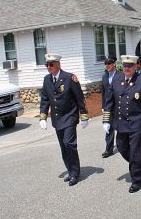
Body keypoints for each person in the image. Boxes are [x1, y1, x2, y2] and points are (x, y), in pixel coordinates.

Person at [103, 55, 141, 193]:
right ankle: (137, 160)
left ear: (135, 66)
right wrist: (106, 120)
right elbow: (109, 101)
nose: (127, 68)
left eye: (130, 66)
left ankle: (136, 180)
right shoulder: (116, 79)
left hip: (137, 123)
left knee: (135, 152)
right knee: (121, 147)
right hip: (121, 123)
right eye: (124, 66)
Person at [39, 53, 89, 186]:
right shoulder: (46, 79)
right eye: (46, 65)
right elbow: (45, 99)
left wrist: (83, 115)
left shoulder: (69, 78)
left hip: (70, 117)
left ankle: (75, 173)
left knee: (69, 144)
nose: (48, 67)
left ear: (58, 64)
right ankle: (70, 170)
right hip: (57, 119)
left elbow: (79, 97)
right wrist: (43, 117)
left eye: (51, 64)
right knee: (63, 146)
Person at [101, 56, 120, 158]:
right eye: (106, 64)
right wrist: (103, 106)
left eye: (109, 63)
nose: (107, 66)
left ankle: (123, 146)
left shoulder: (121, 75)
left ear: (114, 64)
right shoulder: (104, 77)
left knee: (121, 127)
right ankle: (109, 149)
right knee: (108, 128)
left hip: (119, 106)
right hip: (108, 107)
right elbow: (103, 93)